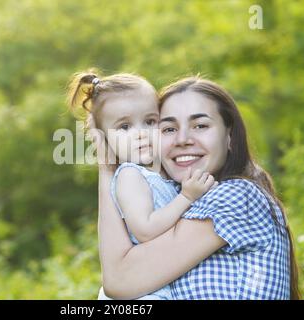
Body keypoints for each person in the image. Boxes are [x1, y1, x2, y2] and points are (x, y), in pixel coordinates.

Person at [95, 76, 300, 300]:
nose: (182, 139)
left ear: (229, 136)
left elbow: (120, 280)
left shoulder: (235, 197)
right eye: (169, 129)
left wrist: (107, 169)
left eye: (200, 125)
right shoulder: (179, 199)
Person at [67, 70, 216, 299]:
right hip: (145, 293)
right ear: (105, 139)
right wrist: (186, 198)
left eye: (149, 122)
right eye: (124, 127)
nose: (141, 134)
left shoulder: (160, 174)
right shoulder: (130, 176)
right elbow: (145, 230)